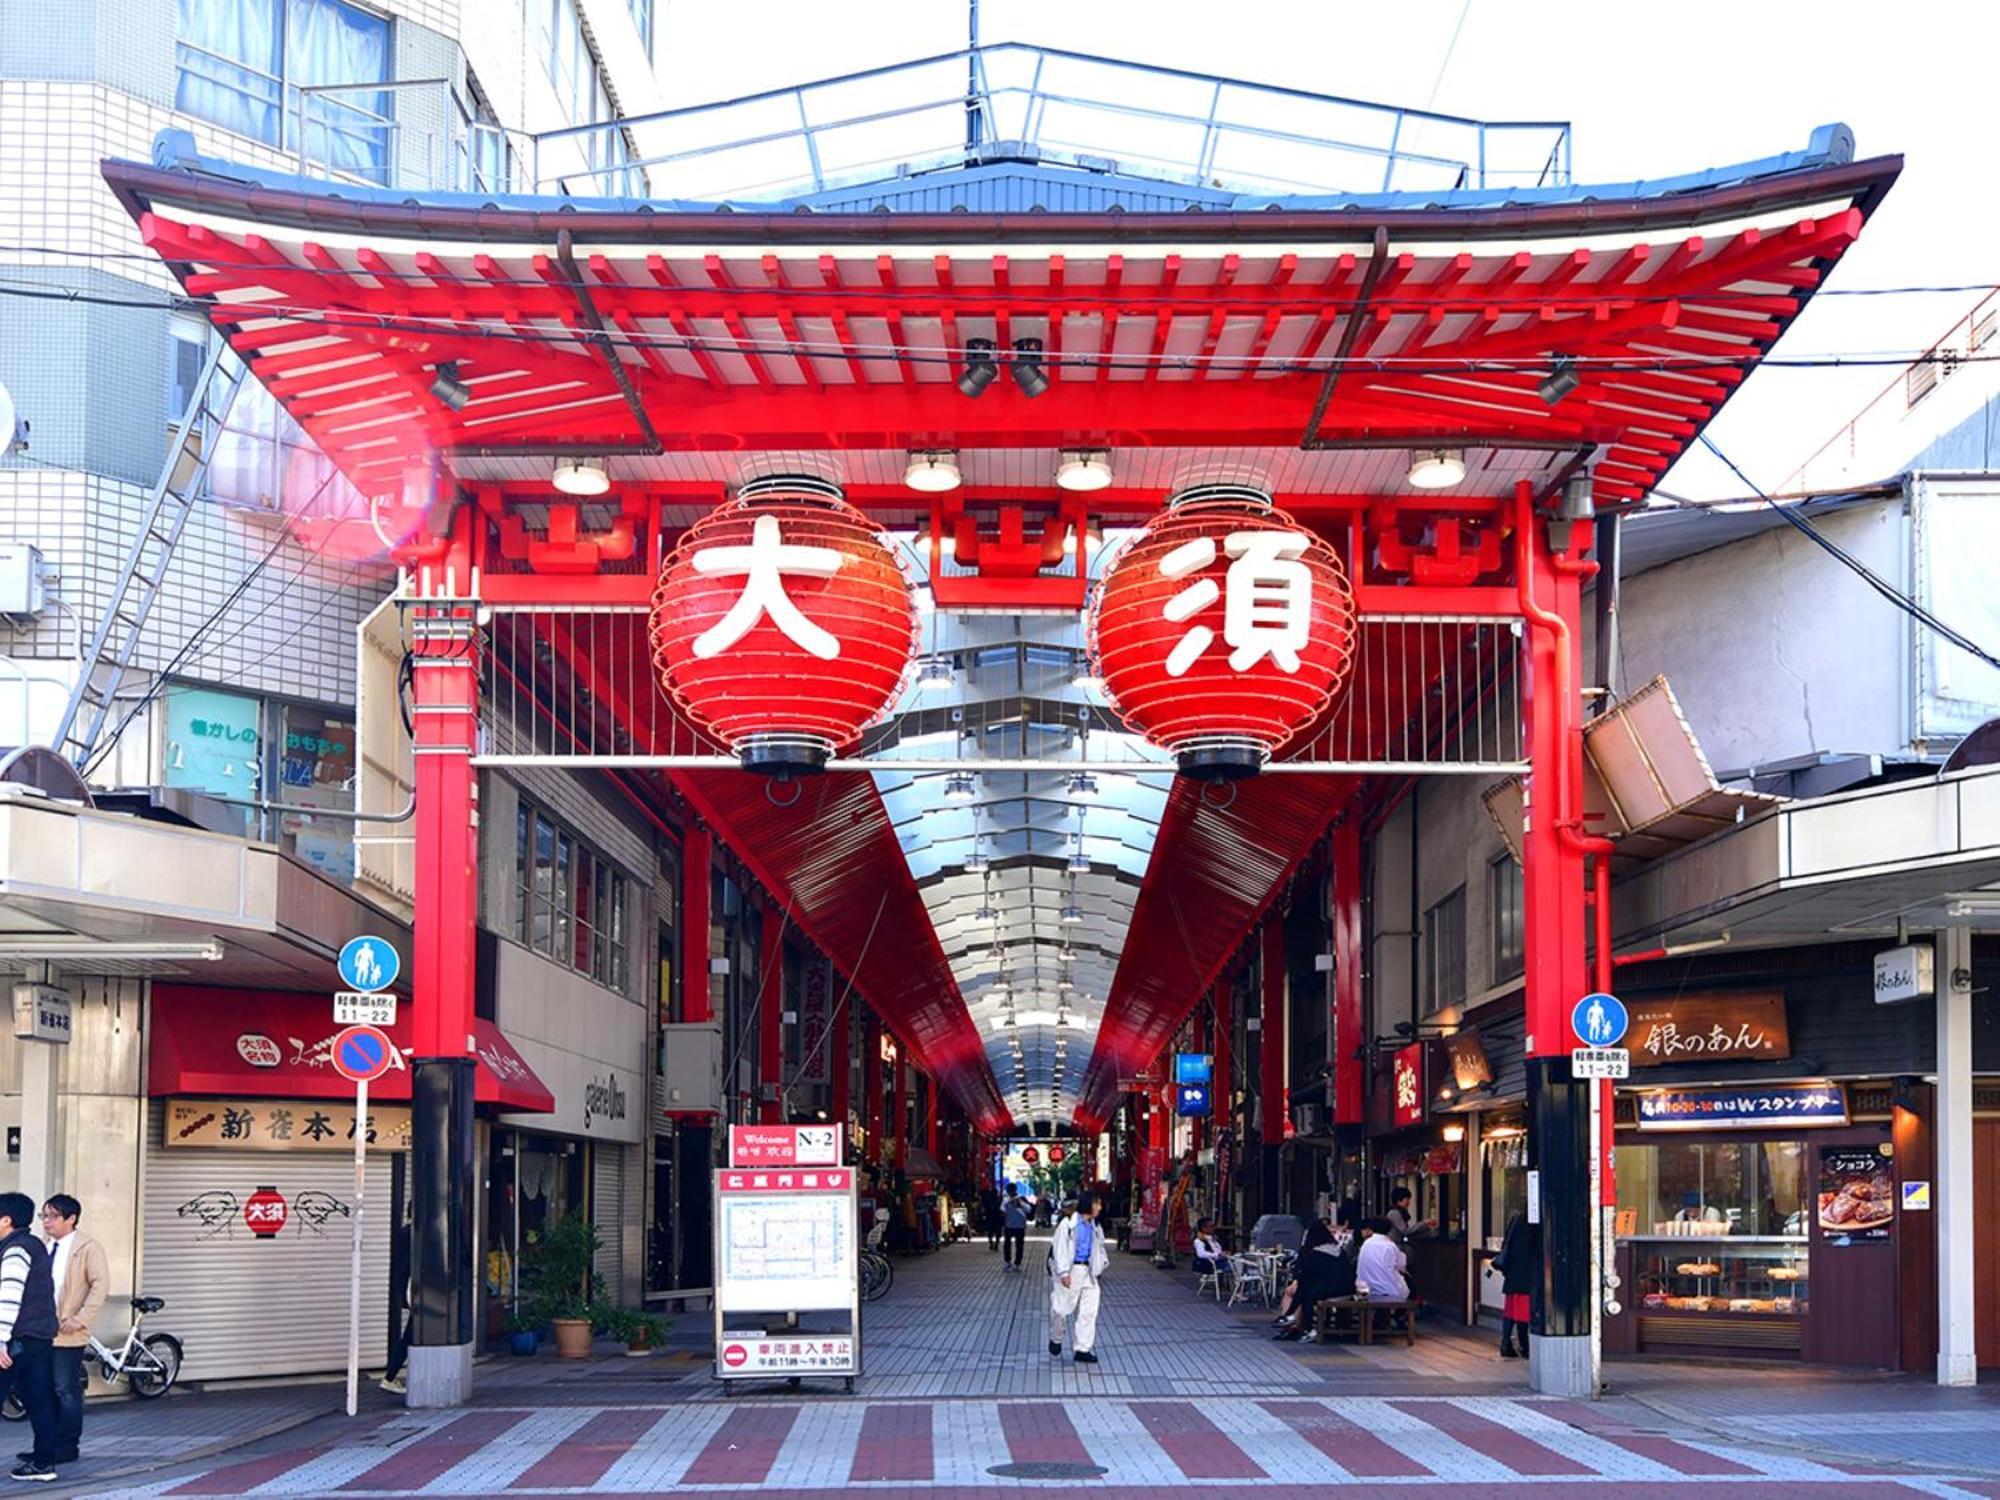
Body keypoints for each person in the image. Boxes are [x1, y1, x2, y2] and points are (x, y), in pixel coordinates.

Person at [38, 1196, 104, 1468]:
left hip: (69, 1332)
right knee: (44, 1390)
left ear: (71, 1218)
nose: (46, 1222)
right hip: (42, 1330)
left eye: (52, 1216)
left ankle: (68, 1445)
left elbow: (100, 1285)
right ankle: (46, 1444)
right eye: (44, 1216)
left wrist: (80, 1318)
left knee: (66, 1388)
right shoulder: (43, 1246)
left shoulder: (87, 1248)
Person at [0, 1192, 61, 1482]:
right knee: (39, 1400)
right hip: (36, 1337)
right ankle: (43, 1463)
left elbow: (8, 1299)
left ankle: (43, 1462)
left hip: (17, 1339)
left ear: (6, 1220)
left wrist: (0, 1340)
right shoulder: (31, 1245)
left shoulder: (15, 1250)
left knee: (35, 1398)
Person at [1272, 1218, 1358, 1341]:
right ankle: (1293, 1320)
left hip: (1332, 1291)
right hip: (1347, 1290)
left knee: (1302, 1291)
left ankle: (1294, 1321)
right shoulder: (1338, 1251)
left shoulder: (1316, 1254)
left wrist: (1296, 1280)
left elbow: (1304, 1273)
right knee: (1304, 1289)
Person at [1049, 1191, 1108, 1365]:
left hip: (1088, 1272)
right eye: (1096, 1203)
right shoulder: (1068, 1225)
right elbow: (1059, 1248)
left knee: (1089, 1311)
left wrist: (1101, 1264)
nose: (1099, 1207)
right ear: (1087, 1204)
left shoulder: (1095, 1226)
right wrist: (1064, 1273)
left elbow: (1100, 1247)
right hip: (1072, 1269)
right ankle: (1056, 1337)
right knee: (1061, 1308)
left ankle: (1083, 1348)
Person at [1494, 1209, 1538, 1359]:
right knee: (1523, 1312)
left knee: (1511, 1311)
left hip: (1513, 1272)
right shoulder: (1535, 1224)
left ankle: (1506, 1343)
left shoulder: (1515, 1218)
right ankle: (1524, 1346)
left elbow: (1507, 1243)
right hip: (1527, 1273)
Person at [1354, 1217, 1410, 1302]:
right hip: (1389, 1290)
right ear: (1389, 1230)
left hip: (1365, 1289)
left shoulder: (1365, 1244)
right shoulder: (1389, 1246)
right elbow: (1402, 1265)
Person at [999, 1185, 1028, 1272]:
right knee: (1012, 1245)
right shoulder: (1006, 1201)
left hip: (1017, 1226)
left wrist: (1020, 1205)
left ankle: (1014, 1263)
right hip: (1012, 1226)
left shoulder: (1021, 1199)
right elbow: (1002, 1211)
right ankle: (1012, 1263)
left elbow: (1028, 1209)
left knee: (1017, 1245)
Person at [1192, 1218, 1228, 1284]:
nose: (1214, 1228)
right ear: (1204, 1228)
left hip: (1219, 1260)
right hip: (1210, 1264)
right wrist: (1218, 1254)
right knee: (1238, 1268)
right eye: (1211, 1226)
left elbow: (1218, 1250)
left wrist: (1224, 1253)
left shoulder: (1213, 1238)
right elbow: (1201, 1254)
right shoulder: (1199, 1241)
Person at [980, 1183, 1002, 1253]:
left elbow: (985, 1209)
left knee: (990, 1232)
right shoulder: (999, 1200)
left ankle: (991, 1243)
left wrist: (984, 1215)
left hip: (990, 1218)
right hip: (997, 1219)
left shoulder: (988, 1200)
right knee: (998, 1232)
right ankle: (996, 1244)